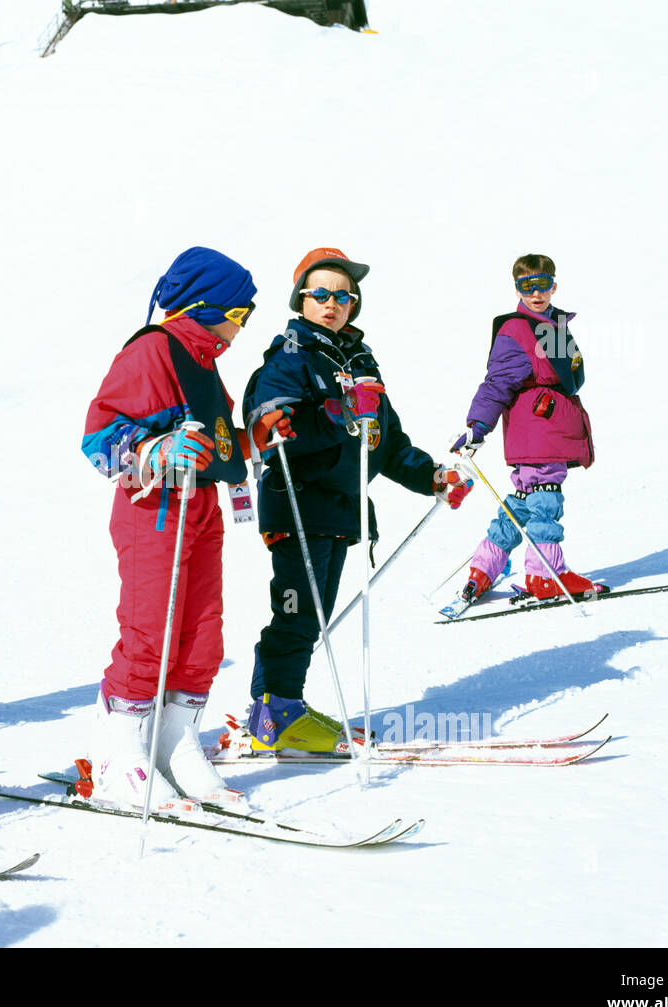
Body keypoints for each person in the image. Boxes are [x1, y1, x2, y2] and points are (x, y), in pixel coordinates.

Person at [242, 247, 472, 752]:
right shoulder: (289, 355)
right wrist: (338, 413)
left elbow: (386, 445)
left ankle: (275, 709)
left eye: (343, 295)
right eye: (320, 293)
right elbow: (274, 429)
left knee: (314, 615)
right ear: (301, 299)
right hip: (298, 504)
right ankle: (275, 715)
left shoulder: (360, 362)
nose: (332, 303)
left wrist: (432, 476)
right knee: (299, 612)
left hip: (341, 510)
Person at [81, 246, 258, 809]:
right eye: (240, 312)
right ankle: (119, 752)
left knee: (203, 631)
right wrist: (156, 448)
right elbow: (99, 443)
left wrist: (254, 437)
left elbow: (218, 445)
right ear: (207, 306)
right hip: (153, 510)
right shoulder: (151, 351)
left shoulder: (204, 362)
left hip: (202, 506)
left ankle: (175, 743)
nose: (242, 325)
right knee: (150, 630)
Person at [447, 253, 604, 607]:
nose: (536, 293)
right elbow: (497, 383)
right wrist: (477, 426)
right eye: (526, 286)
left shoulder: (553, 325)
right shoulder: (517, 330)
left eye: (543, 285)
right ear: (516, 288)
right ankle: (545, 575)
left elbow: (569, 380)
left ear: (554, 285)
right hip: (537, 430)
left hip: (547, 428)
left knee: (523, 502)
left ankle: (484, 568)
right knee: (545, 498)